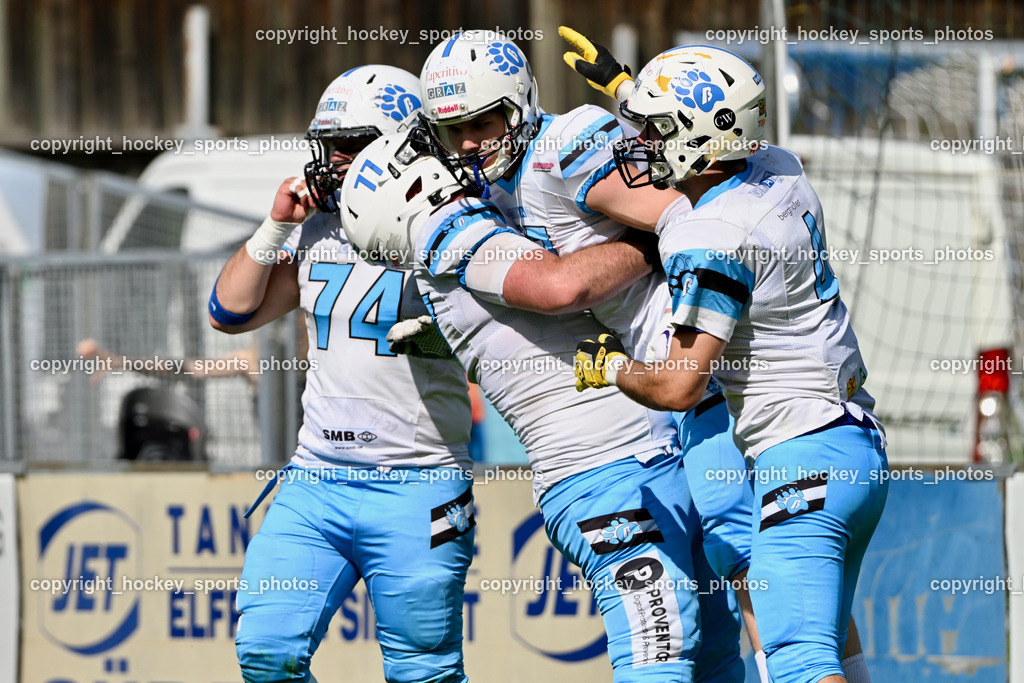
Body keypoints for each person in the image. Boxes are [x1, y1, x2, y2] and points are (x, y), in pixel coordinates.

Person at [417, 30, 746, 681]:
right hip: (670, 394)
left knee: (764, 577)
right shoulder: (495, 187)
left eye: (482, 122)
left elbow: (688, 207)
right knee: (722, 628)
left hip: (706, 367)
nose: (469, 143)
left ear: (518, 105)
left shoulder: (564, 144)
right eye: (453, 129)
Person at [341, 129, 720, 682]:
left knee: (714, 654)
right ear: (409, 187)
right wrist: (668, 231)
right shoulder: (453, 234)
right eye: (427, 154)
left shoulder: (446, 260)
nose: (457, 153)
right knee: (658, 654)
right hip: (605, 472)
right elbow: (561, 287)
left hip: (640, 459)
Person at [573, 45, 888, 683]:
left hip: (802, 459)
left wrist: (610, 367)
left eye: (653, 131)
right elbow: (715, 130)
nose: (639, 145)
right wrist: (629, 90)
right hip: (853, 449)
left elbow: (681, 385)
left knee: (799, 661)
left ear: (701, 139)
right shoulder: (778, 165)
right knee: (825, 649)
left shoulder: (711, 237)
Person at [208, 65, 476, 683]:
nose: (333, 160)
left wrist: (451, 342)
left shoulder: (455, 223)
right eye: (328, 144)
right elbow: (228, 312)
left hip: (418, 480)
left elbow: (514, 340)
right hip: (316, 480)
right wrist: (277, 224)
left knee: (423, 673)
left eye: (351, 144)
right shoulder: (317, 225)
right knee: (266, 654)